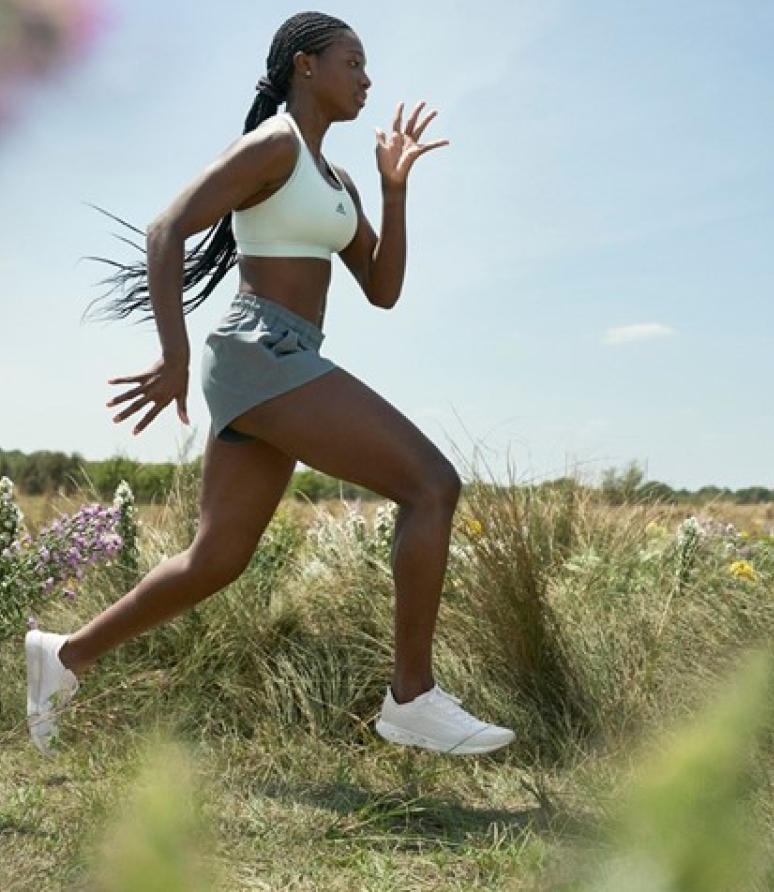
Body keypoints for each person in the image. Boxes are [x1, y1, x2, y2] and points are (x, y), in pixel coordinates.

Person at [26, 11, 515, 757]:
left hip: (285, 355)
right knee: (431, 485)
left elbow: (382, 290)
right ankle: (411, 697)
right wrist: (174, 355)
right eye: (353, 61)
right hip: (260, 351)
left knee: (216, 559)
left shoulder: (337, 179)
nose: (367, 78)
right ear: (305, 66)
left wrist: (393, 189)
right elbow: (168, 227)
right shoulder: (274, 145)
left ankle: (65, 656)